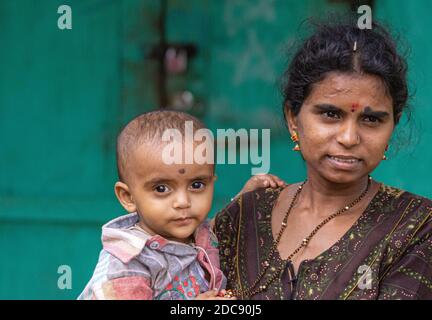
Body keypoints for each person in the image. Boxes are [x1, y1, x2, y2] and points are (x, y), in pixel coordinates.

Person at [215, 19, 432, 300]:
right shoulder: (243, 216)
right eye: (331, 114)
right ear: (293, 118)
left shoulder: (416, 226)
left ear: (392, 125)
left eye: (371, 119)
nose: (349, 137)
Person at [78, 110, 285, 300]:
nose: (183, 202)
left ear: (212, 182)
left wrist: (245, 197)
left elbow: (214, 232)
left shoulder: (196, 233)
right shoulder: (128, 264)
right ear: (128, 197)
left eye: (196, 185)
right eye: (161, 189)